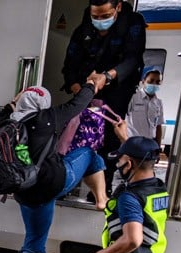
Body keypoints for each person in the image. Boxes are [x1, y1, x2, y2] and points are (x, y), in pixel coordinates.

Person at [0, 81, 109, 253]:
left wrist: (14, 102)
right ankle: (101, 199)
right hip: (54, 182)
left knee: (35, 237)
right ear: (43, 103)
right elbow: (79, 103)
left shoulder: (3, 124)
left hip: (25, 189)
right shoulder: (47, 118)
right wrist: (92, 85)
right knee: (90, 154)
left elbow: (4, 112)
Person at [62, 0, 146, 192]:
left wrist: (106, 77)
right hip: (85, 92)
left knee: (109, 140)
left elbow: (133, 59)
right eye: (96, 17)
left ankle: (101, 190)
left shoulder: (132, 25)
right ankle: (68, 184)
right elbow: (69, 65)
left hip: (116, 91)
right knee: (74, 137)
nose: (100, 21)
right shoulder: (83, 30)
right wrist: (77, 88)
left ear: (117, 7)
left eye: (105, 16)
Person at [125, 66, 164, 146]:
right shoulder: (132, 98)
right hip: (132, 143)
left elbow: (158, 126)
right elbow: (122, 120)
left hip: (149, 144)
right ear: (143, 82)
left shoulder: (158, 103)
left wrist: (158, 147)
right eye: (151, 81)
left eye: (157, 82)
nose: (154, 84)